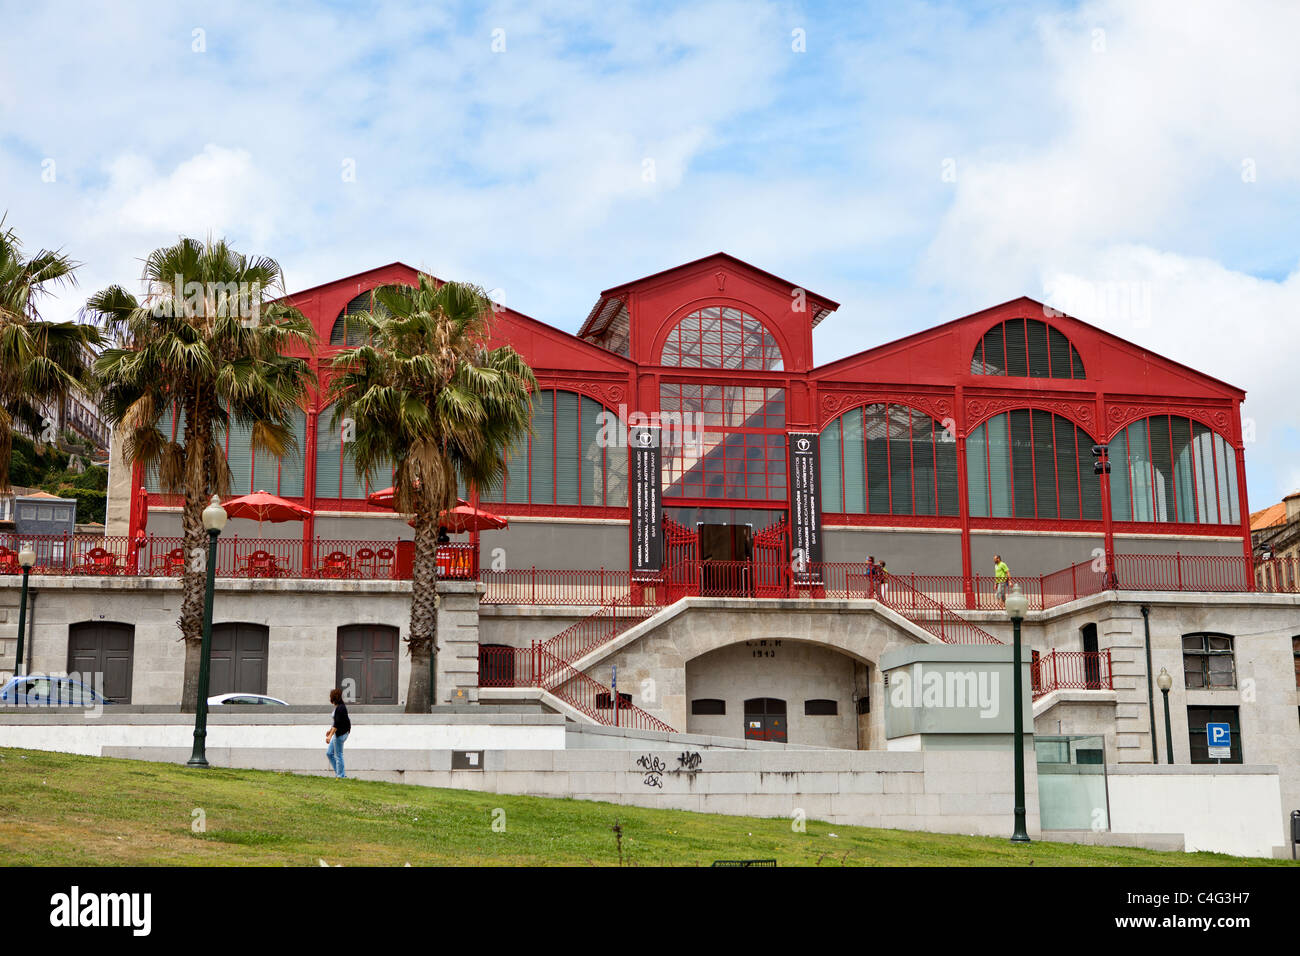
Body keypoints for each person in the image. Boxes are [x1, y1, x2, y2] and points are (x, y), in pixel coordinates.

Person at [326, 687, 351, 779]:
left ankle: (341, 776)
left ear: (333, 698)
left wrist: (329, 736)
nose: (330, 699)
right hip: (338, 733)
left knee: (338, 755)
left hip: (341, 734)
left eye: (330, 697)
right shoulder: (338, 707)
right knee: (329, 753)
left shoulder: (340, 708)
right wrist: (330, 731)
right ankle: (339, 772)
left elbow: (337, 724)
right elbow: (336, 722)